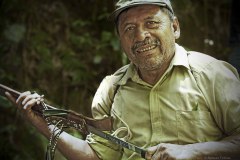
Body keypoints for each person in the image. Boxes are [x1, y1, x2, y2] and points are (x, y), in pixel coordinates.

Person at [5, 0, 240, 159]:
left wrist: (193, 151)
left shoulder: (212, 74)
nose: (141, 36)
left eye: (151, 23)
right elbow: (97, 155)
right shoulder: (112, 89)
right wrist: (44, 126)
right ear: (121, 39)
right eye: (129, 29)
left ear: (175, 27)